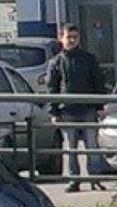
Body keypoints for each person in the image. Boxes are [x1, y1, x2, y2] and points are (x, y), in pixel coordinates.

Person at [45, 23, 107, 193]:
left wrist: (100, 107)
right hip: (67, 110)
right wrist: (54, 111)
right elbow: (52, 88)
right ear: (61, 38)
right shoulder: (56, 62)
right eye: (68, 37)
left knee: (92, 146)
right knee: (70, 148)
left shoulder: (88, 59)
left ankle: (95, 179)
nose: (72, 40)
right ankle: (74, 180)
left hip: (88, 109)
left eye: (75, 37)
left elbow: (98, 83)